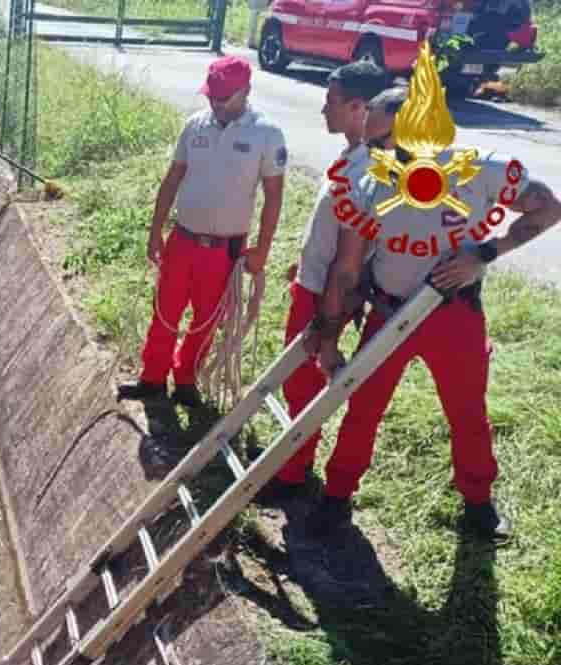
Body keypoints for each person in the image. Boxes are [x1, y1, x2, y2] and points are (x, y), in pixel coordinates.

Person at [305, 61, 561, 541]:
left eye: (383, 143)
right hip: (388, 311)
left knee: (466, 410)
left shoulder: (481, 170)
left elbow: (549, 208)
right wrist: (328, 328)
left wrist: (485, 253)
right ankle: (337, 496)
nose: (375, 152)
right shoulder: (371, 184)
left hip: (454, 314)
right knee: (364, 406)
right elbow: (346, 267)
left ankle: (479, 503)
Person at [118, 55, 287, 409]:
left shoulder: (266, 135)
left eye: (224, 98)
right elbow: (173, 178)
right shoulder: (195, 126)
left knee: (207, 318)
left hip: (225, 249)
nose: (216, 104)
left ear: (246, 92)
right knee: (165, 309)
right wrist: (155, 232)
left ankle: (185, 379)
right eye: (212, 96)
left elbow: (274, 196)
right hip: (183, 239)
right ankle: (152, 378)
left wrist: (262, 249)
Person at [256, 62, 391, 504]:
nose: (322, 109)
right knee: (298, 381)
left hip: (326, 294)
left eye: (331, 101)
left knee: (302, 383)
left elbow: (353, 256)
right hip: (313, 283)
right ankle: (294, 462)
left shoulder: (367, 172)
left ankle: (293, 475)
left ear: (359, 107)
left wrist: (326, 309)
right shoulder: (350, 157)